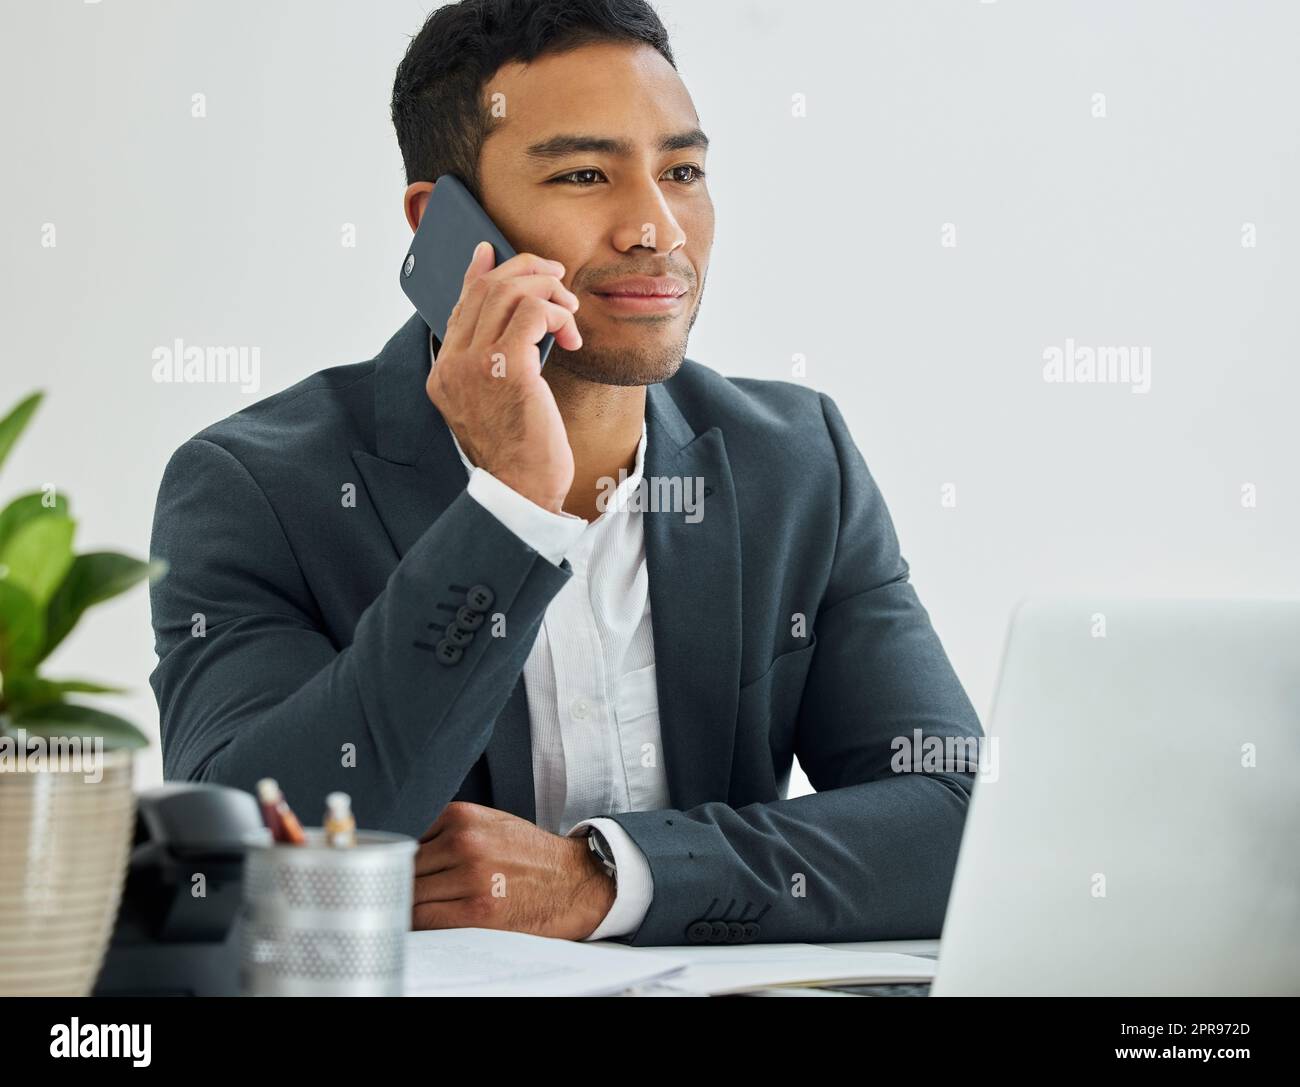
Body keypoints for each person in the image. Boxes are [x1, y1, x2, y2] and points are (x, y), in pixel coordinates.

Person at [149, 0, 983, 947]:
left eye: (683, 171)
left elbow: (959, 820)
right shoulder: (252, 489)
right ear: (444, 224)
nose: (656, 228)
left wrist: (602, 878)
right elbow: (254, 860)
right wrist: (508, 512)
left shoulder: (793, 460)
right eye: (586, 173)